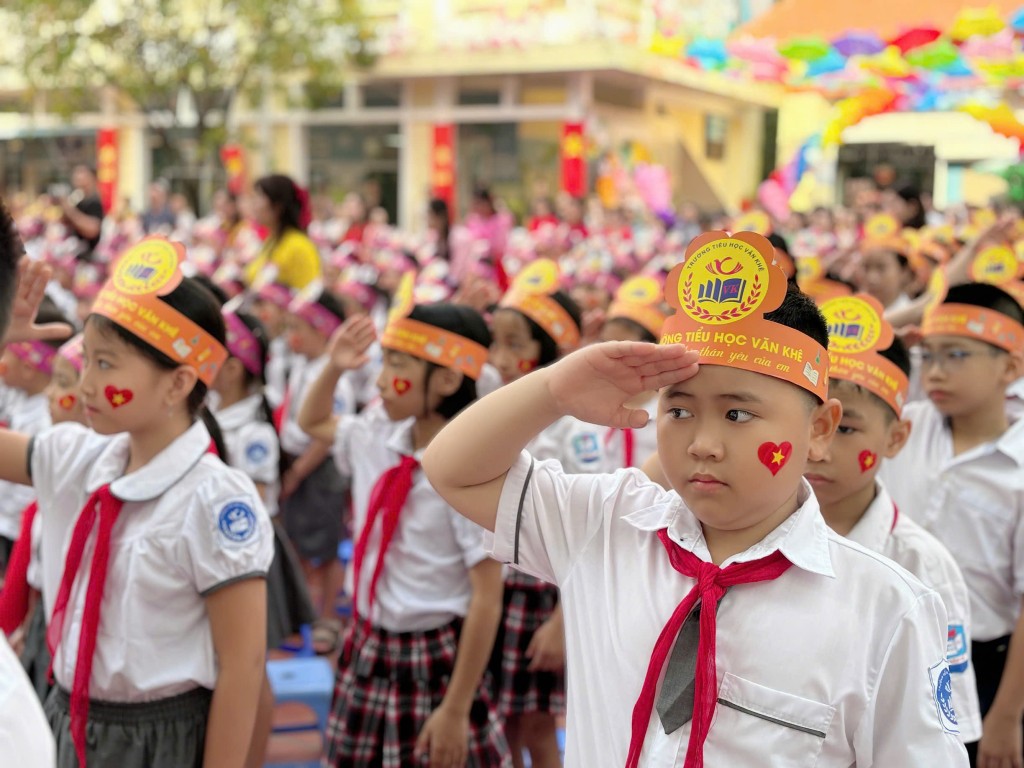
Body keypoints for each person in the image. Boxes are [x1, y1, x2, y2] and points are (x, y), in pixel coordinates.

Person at [423, 230, 968, 766]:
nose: (703, 445)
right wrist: (552, 392)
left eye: (738, 414)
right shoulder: (610, 525)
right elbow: (454, 470)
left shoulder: (886, 609)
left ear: (820, 429)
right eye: (679, 411)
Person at [0, 237, 272, 767]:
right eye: (86, 362)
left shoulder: (214, 498)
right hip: (67, 713)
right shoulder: (76, 457)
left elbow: (243, 666)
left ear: (178, 384)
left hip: (160, 738)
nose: (84, 386)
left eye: (105, 365)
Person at [297, 302, 510, 767]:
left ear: (449, 380)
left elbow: (487, 598)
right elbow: (311, 422)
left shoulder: (470, 469)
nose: (379, 380)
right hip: (369, 640)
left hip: (435, 655)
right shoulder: (381, 435)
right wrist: (334, 367)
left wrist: (455, 709)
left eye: (397, 364)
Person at [806, 294, 983, 747]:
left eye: (845, 429)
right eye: (809, 421)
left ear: (897, 437)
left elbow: (945, 731)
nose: (818, 448)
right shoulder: (749, 531)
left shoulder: (921, 566)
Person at [880, 283, 1024, 767]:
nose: (937, 371)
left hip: (982, 662)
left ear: (1010, 366)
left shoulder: (1020, 467)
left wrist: (1005, 717)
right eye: (930, 356)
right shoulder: (903, 427)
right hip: (887, 642)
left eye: (957, 355)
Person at [488, 260, 598, 768]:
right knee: (501, 721)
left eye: (517, 344)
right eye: (498, 342)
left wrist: (561, 619)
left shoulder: (573, 429)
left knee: (535, 724)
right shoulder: (493, 406)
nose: (502, 358)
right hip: (499, 581)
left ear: (550, 351)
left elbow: (593, 531)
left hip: (546, 587)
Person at [211, 307, 315, 768]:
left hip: (251, 554)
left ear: (233, 368)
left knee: (254, 672)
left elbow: (251, 499)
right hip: (225, 552)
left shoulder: (253, 428)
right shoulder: (219, 411)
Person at [276, 285, 353, 652]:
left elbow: (325, 437)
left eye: (300, 328)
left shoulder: (333, 374)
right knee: (306, 549)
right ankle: (312, 616)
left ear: (322, 330)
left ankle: (328, 620)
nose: (293, 336)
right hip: (302, 466)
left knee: (325, 549)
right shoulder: (305, 367)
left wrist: (296, 473)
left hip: (319, 472)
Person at [0, 299, 69, 573]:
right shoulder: (20, 398)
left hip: (16, 530)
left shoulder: (43, 419)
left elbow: (27, 490)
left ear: (29, 369)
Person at [599, 276, 669, 470]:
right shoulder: (585, 410)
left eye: (624, 350)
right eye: (605, 346)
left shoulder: (667, 415)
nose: (610, 359)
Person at [244, 174, 321, 291]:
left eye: (258, 198)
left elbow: (307, 297)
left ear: (277, 206)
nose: (253, 205)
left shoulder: (299, 246)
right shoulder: (271, 241)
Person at [59, 165, 104, 262]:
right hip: (72, 252)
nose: (79, 183)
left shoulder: (94, 202)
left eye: (82, 179)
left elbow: (93, 229)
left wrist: (70, 210)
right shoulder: (77, 200)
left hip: (89, 257)